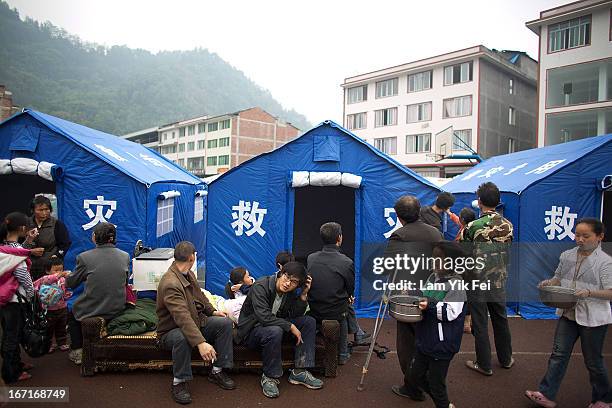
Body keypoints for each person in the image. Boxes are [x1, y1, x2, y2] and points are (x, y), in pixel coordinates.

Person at [525, 218, 612, 408]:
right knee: (558, 354)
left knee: (593, 361)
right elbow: (558, 278)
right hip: (568, 313)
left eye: (585, 236)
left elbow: (610, 292)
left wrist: (590, 292)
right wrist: (548, 283)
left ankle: (603, 399)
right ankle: (546, 394)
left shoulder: (605, 262)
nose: (580, 239)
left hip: (593, 318)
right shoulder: (567, 255)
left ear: (600, 237)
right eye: (577, 235)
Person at [157, 241, 235, 405]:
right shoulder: (171, 283)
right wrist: (201, 343)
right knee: (182, 337)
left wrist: (212, 311)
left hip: (195, 321)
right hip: (171, 331)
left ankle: (217, 371)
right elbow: (182, 317)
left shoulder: (188, 274)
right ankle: (179, 382)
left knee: (224, 323)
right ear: (192, 258)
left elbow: (200, 296)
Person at [383, 195, 443, 401]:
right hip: (434, 294)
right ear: (419, 211)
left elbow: (387, 266)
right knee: (428, 339)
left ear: (399, 217)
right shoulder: (435, 233)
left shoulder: (399, 235)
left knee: (407, 344)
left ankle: (413, 387)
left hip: (408, 296)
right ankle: (430, 381)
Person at [238, 261, 323, 398]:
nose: (288, 283)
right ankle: (270, 377)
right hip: (252, 331)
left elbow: (294, 315)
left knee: (308, 322)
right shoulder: (261, 285)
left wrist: (303, 295)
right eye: (287, 277)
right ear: (280, 273)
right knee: (275, 330)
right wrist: (290, 326)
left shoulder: (289, 293)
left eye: (294, 282)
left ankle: (299, 371)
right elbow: (264, 317)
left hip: (275, 327)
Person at [461, 182, 514, 376]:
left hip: (477, 281)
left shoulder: (473, 226)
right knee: (501, 319)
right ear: (498, 201)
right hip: (499, 280)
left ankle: (484, 364)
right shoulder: (508, 225)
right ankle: (506, 359)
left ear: (480, 201)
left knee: (480, 321)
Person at [411, 241, 467, 408]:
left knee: (437, 385)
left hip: (442, 345)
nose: (434, 261)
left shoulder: (456, 284)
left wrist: (429, 304)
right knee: (414, 376)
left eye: (439, 259)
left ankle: (444, 404)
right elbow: (424, 295)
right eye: (433, 257)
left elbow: (449, 313)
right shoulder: (432, 277)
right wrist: (413, 294)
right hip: (425, 340)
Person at [66, 222, 129, 366]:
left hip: (94, 308)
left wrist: (67, 276)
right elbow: (124, 281)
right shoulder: (124, 256)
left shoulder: (84, 257)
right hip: (117, 306)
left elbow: (71, 283)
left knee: (73, 310)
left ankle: (78, 351)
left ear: (94, 237)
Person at [307, 222, 354, 364]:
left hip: (313, 308)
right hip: (336, 311)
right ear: (339, 238)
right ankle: (343, 354)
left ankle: (358, 334)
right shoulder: (347, 262)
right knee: (346, 309)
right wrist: (349, 297)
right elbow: (350, 288)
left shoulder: (311, 258)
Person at [0, 212, 36, 383]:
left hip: (3, 298)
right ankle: (10, 372)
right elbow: (23, 275)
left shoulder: (4, 247)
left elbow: (16, 254)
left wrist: (27, 242)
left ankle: (16, 363)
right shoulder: (17, 253)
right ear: (22, 228)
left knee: (9, 333)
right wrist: (32, 295)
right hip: (14, 300)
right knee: (12, 336)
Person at [23, 196, 71, 281]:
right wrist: (31, 251)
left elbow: (65, 244)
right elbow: (18, 246)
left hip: (49, 269)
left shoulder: (57, 224)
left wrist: (55, 256)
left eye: (47, 209)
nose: (44, 213)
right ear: (33, 210)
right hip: (28, 267)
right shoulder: (26, 223)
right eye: (40, 210)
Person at [33, 255, 71, 353]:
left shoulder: (62, 280)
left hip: (62, 308)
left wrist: (67, 294)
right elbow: (37, 284)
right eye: (56, 270)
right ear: (47, 271)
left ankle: (62, 343)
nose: (59, 272)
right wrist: (59, 275)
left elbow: (65, 290)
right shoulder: (44, 279)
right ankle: (48, 345)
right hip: (48, 310)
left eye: (61, 269)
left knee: (61, 327)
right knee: (48, 329)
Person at [455, 207, 476, 334]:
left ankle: (466, 323)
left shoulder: (464, 233)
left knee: (465, 295)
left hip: (465, 269)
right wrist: (450, 213)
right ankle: (470, 321)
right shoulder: (476, 228)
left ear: (462, 220)